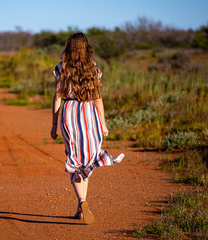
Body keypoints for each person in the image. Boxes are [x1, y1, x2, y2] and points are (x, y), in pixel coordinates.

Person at [50, 32, 125, 225]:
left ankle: (82, 203)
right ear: (85, 48)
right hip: (89, 114)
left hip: (69, 114)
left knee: (74, 158)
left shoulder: (62, 68)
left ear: (69, 47)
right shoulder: (93, 68)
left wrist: (53, 124)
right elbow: (98, 98)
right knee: (87, 160)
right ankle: (81, 208)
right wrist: (104, 124)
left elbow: (57, 98)